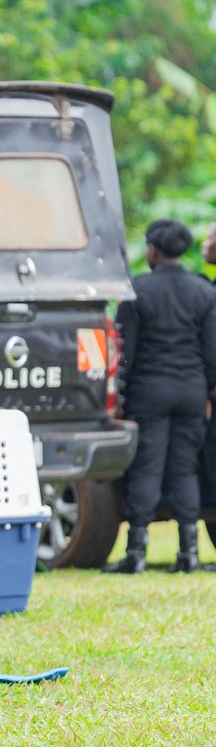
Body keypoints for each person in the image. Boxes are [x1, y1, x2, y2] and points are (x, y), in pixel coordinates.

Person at [105, 219, 216, 574]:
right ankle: (189, 554)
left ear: (152, 250)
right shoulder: (204, 292)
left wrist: (119, 396)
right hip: (191, 390)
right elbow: (211, 351)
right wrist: (208, 391)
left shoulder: (137, 291)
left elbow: (125, 354)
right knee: (184, 469)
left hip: (149, 392)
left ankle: (136, 553)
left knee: (147, 467)